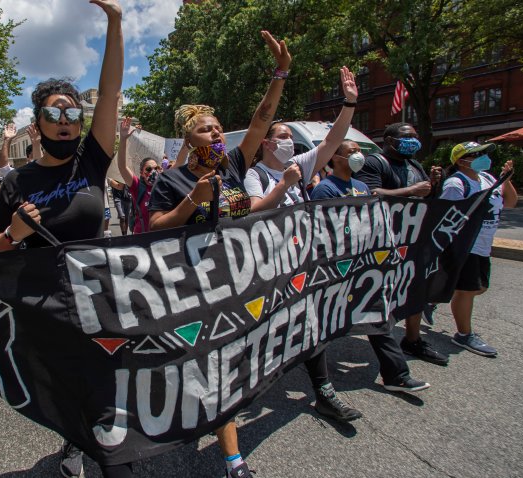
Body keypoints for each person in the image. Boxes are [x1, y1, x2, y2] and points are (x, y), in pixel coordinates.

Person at [0, 1, 125, 476]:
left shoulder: (92, 161)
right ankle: (72, 438)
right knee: (64, 379)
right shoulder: (15, 182)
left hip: (99, 291)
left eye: (73, 112)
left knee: (105, 375)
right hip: (45, 300)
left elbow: (109, 94)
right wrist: (14, 232)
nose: (66, 119)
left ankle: (111, 450)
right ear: (37, 124)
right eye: (54, 112)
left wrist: (115, 21)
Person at [148, 30, 290, 478]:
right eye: (204, 128)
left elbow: (262, 121)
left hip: (235, 276)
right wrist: (194, 199)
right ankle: (233, 460)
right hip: (191, 283)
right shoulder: (170, 182)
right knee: (209, 365)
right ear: (187, 138)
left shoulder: (232, 166)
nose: (215, 132)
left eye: (216, 126)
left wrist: (280, 72)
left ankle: (221, 439)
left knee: (224, 364)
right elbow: (154, 227)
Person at [241, 67, 363, 421]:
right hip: (268, 269)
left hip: (301, 264)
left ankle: (324, 392)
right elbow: (252, 213)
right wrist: (283, 187)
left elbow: (330, 142)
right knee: (263, 327)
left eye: (290, 138)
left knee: (313, 324)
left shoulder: (298, 164)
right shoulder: (256, 174)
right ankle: (243, 389)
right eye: (281, 136)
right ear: (266, 143)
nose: (288, 142)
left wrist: (350, 102)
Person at [309, 140, 431, 395]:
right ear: (336, 158)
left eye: (359, 152)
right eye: (351, 152)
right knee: (321, 324)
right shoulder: (325, 190)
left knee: (378, 316)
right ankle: (321, 385)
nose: (358, 156)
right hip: (337, 269)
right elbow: (322, 232)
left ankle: (396, 375)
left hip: (364, 266)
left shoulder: (362, 186)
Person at [352, 122, 449, 366]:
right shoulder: (374, 163)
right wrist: (412, 189)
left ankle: (412, 339)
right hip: (385, 242)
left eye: (415, 137)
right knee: (383, 294)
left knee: (416, 289)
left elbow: (427, 198)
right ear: (388, 140)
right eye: (406, 137)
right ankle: (387, 350)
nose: (412, 141)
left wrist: (434, 185)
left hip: (414, 239)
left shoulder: (414, 164)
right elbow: (369, 195)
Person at [440, 142, 517, 356]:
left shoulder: (489, 179)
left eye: (483, 153)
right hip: (466, 245)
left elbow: (510, 203)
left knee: (479, 288)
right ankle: (464, 334)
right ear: (461, 160)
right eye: (476, 155)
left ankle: (436, 296)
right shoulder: (456, 184)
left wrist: (506, 181)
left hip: (484, 244)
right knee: (467, 291)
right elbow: (446, 217)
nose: (483, 157)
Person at [116, 117, 161, 234]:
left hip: (161, 240)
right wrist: (123, 139)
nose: (153, 172)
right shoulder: (137, 186)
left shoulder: (163, 185)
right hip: (141, 240)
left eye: (156, 168)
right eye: (149, 169)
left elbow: (178, 164)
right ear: (141, 172)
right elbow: (122, 166)